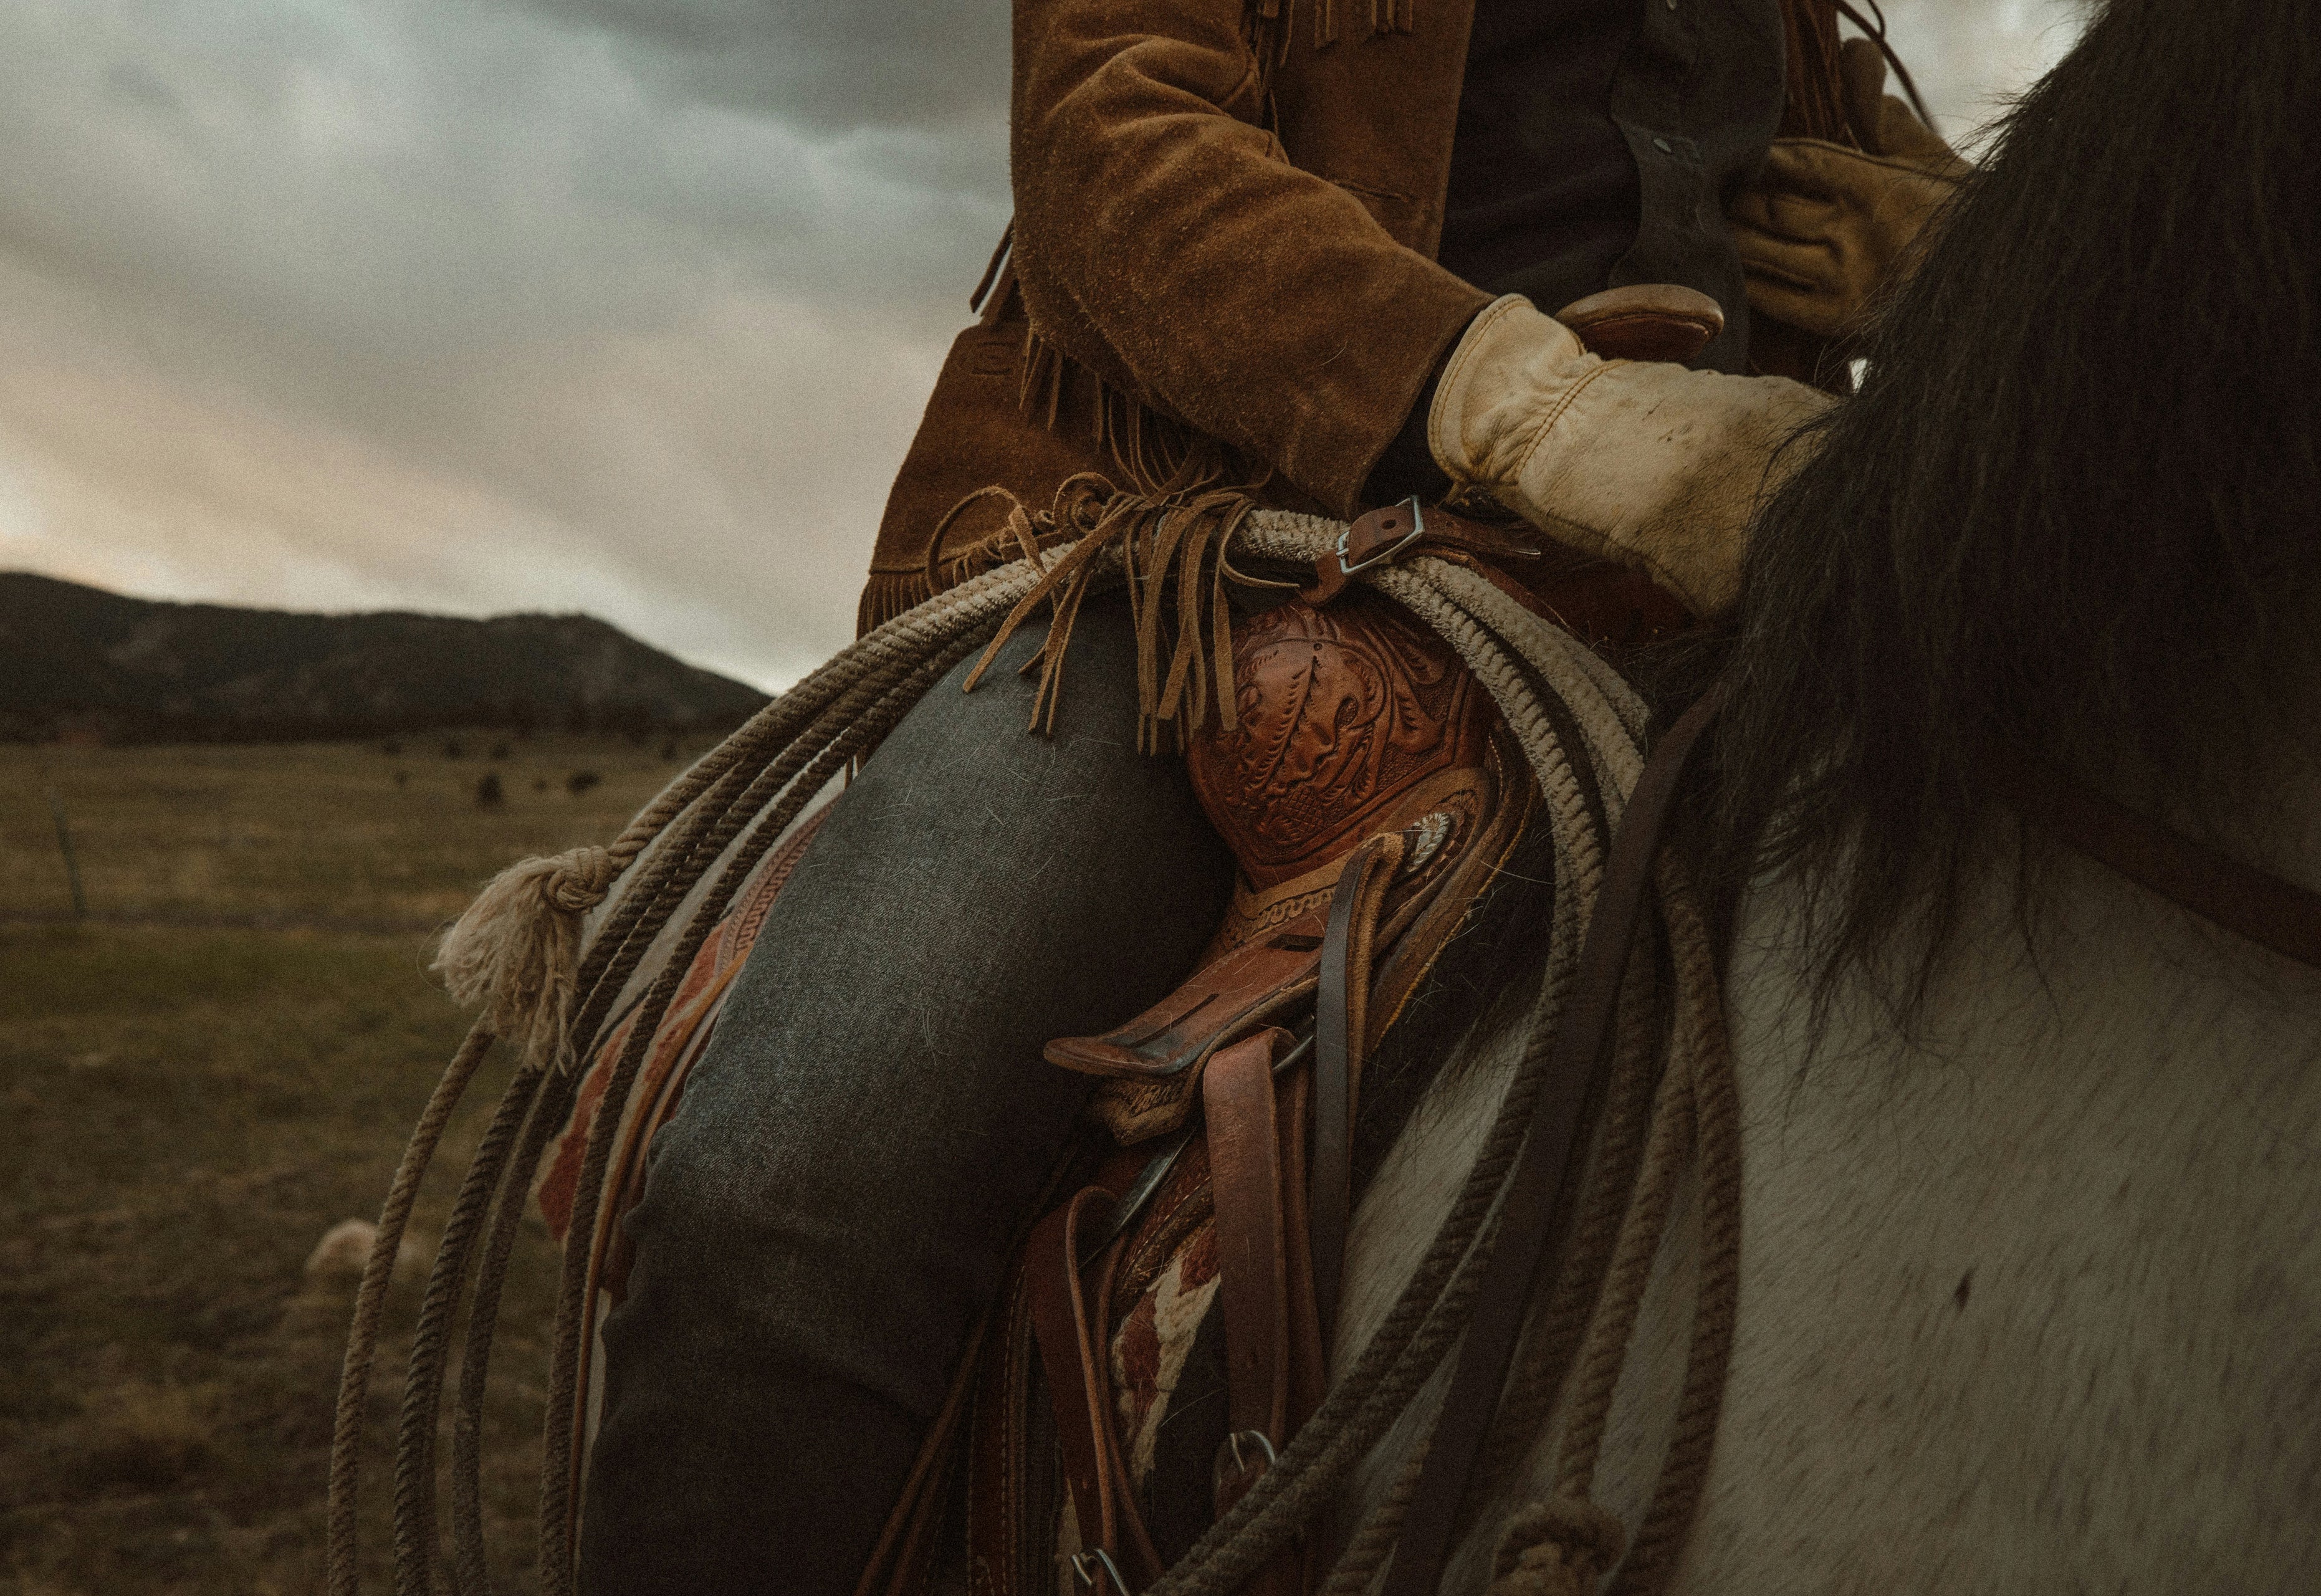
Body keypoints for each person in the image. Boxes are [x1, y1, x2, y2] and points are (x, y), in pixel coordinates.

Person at [580, 2, 1960, 1590]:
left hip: (1728, 589)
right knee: (791, 1194)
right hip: (1198, 562)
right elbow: (1114, 147)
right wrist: (1537, 413)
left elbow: (1879, 171)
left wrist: (1960, 261)